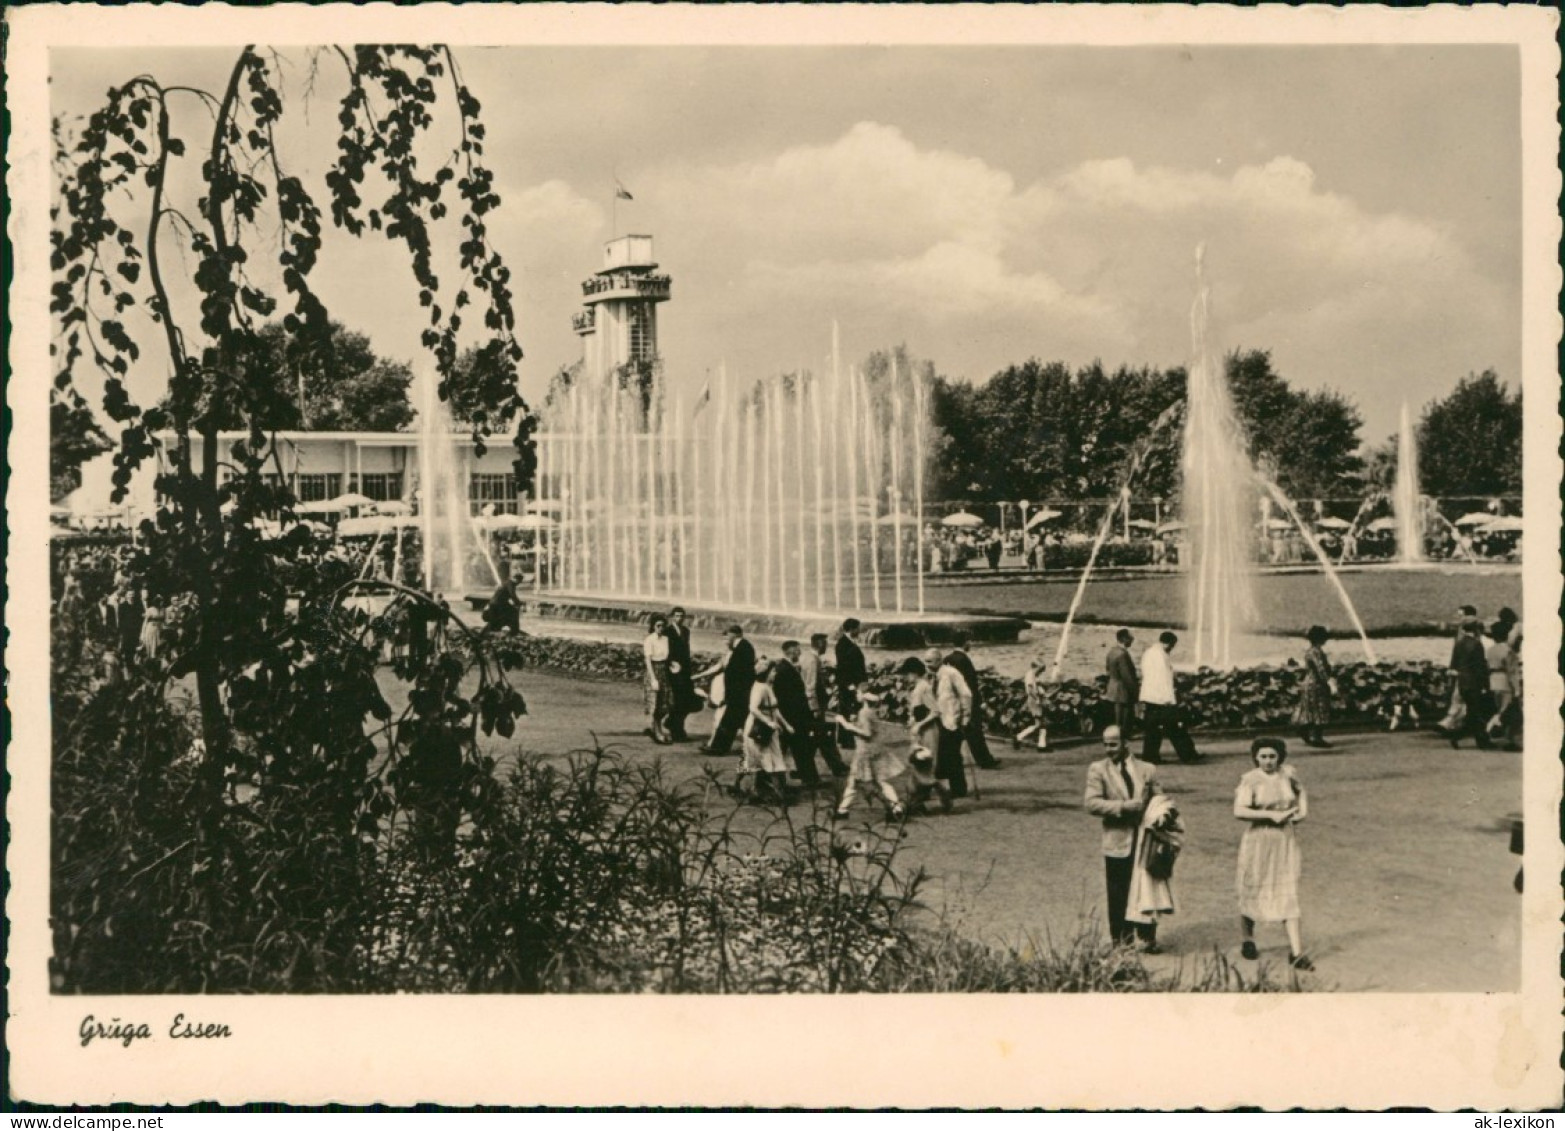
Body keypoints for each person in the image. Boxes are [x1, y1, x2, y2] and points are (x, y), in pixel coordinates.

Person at [1235, 737, 1312, 970]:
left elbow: (1301, 791)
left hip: (1284, 840)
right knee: (1255, 886)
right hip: (1259, 840)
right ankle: (1248, 939)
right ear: (1256, 757)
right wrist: (1270, 816)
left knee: (1286, 890)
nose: (1268, 761)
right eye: (1263, 756)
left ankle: (1297, 952)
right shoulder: (1250, 780)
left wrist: (1302, 812)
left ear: (1280, 757)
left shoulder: (1288, 775)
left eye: (1272, 756)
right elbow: (1239, 810)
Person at [1083, 724, 1160, 950]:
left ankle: (1147, 937)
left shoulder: (1147, 769)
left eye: (1113, 744)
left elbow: (1160, 798)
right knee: (1118, 891)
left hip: (1145, 838)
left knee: (1147, 887)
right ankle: (1121, 940)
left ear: (1126, 743)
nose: (1108, 749)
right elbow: (1091, 803)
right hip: (1117, 840)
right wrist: (1125, 807)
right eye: (1105, 744)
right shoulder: (1098, 769)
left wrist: (1159, 812)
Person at [833, 691, 904, 821]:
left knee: (854, 781)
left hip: (864, 751)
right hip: (876, 749)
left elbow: (866, 733)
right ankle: (896, 806)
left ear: (864, 700)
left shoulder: (864, 712)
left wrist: (845, 724)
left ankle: (842, 810)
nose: (857, 695)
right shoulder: (871, 712)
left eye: (860, 694)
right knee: (880, 780)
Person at [1138, 631, 1200, 764]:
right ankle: (1188, 755)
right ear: (1170, 643)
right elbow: (1165, 679)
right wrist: (1171, 700)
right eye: (1172, 645)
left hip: (1149, 696)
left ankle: (1150, 756)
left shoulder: (1149, 653)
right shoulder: (1162, 656)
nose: (1172, 649)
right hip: (1161, 698)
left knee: (1153, 729)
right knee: (1175, 727)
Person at [697, 625, 756, 756]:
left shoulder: (743, 648)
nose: (726, 638)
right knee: (733, 721)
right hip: (739, 691)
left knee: (729, 721)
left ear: (735, 635)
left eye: (728, 635)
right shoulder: (743, 647)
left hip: (738, 691)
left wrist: (731, 692)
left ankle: (718, 748)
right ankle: (719, 747)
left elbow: (738, 673)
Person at [737, 659, 790, 803]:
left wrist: (786, 724)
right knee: (764, 758)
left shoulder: (768, 686)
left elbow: (775, 709)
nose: (775, 673)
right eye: (773, 671)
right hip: (759, 726)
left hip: (769, 726)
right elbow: (753, 708)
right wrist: (769, 722)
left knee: (768, 757)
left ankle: (756, 789)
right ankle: (773, 793)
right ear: (766, 672)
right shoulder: (760, 688)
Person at [944, 637, 1001, 769]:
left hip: (952, 700)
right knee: (975, 731)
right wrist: (978, 702)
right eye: (969, 642)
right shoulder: (964, 660)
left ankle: (950, 760)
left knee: (953, 731)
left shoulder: (948, 659)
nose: (971, 644)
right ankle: (985, 760)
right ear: (966, 643)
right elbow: (971, 684)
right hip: (968, 700)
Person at [774, 640, 825, 789]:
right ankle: (809, 779)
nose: (800, 653)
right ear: (790, 652)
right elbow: (785, 696)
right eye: (797, 650)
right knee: (798, 749)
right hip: (792, 717)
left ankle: (809, 778)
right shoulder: (785, 670)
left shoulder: (785, 668)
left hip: (791, 717)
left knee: (796, 749)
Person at [801, 633, 849, 778]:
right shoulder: (812, 660)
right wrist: (815, 707)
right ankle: (835, 766)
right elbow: (810, 686)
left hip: (817, 706)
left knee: (820, 737)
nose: (827, 646)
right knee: (824, 736)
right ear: (820, 644)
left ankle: (832, 766)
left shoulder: (810, 658)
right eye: (825, 643)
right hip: (817, 707)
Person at [929, 647, 972, 801]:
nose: (928, 665)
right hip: (939, 721)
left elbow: (966, 694)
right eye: (926, 662)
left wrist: (965, 716)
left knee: (953, 754)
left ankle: (959, 789)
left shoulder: (951, 674)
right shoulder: (932, 676)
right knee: (943, 754)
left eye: (931, 661)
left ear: (939, 660)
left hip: (952, 719)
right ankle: (946, 786)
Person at [1447, 619, 1493, 750]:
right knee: (1475, 712)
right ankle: (1464, 736)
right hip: (1474, 682)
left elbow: (1454, 663)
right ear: (1476, 630)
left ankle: (1478, 739)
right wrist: (1486, 684)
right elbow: (1480, 666)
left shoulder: (1459, 643)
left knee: (1473, 712)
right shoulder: (1477, 644)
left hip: (1462, 681)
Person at [1436, 605, 1479, 735]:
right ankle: (1453, 723)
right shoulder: (1464, 631)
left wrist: (1453, 667)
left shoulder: (1469, 632)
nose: (1459, 618)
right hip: (1463, 670)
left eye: (1461, 615)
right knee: (1459, 696)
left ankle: (1451, 723)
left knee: (1459, 696)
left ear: (1469, 616)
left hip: (1465, 671)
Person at [1293, 625, 1338, 748]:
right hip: (1317, 684)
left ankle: (1305, 729)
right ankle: (1316, 737)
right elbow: (1321, 670)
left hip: (1309, 682)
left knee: (1310, 710)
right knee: (1320, 710)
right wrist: (1330, 682)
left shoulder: (1310, 651)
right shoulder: (1317, 652)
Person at [641, 614, 673, 745]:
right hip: (654, 671)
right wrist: (653, 679)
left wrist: (672, 665)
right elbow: (648, 660)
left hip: (664, 671)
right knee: (656, 701)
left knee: (665, 701)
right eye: (658, 626)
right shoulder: (649, 639)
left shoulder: (666, 639)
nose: (660, 628)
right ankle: (657, 731)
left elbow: (666, 657)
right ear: (653, 626)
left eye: (662, 625)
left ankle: (657, 728)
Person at [664, 607, 695, 741]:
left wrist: (689, 669)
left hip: (685, 670)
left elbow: (687, 651)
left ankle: (674, 724)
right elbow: (665, 650)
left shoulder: (686, 631)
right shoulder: (667, 631)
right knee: (677, 701)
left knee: (686, 700)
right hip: (673, 670)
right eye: (677, 616)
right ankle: (677, 730)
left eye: (682, 616)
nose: (679, 618)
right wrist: (670, 664)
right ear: (672, 617)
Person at [1104, 628, 1140, 738]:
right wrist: (1135, 691)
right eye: (1131, 638)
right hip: (1122, 688)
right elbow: (1127, 676)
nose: (1132, 640)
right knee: (1125, 713)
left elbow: (1108, 669)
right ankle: (1123, 735)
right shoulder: (1122, 654)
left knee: (1118, 713)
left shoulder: (1112, 651)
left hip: (1113, 686)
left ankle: (1119, 734)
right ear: (1125, 639)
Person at [1484, 620, 1516, 744]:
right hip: (1504, 681)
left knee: (1497, 708)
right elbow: (1511, 671)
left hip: (1493, 679)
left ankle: (1492, 731)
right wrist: (1517, 688)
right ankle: (1490, 731)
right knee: (1504, 710)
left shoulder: (1490, 650)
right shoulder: (1508, 651)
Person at [1014, 655, 1051, 751]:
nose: (1041, 672)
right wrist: (1037, 699)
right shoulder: (1030, 675)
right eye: (1041, 669)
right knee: (1040, 723)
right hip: (1033, 700)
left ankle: (1021, 738)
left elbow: (1036, 687)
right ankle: (1039, 745)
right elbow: (1030, 690)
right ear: (1036, 667)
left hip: (1034, 699)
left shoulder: (1032, 675)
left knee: (1040, 723)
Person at [834, 618, 867, 700]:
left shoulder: (847, 642)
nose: (859, 631)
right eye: (858, 628)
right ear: (852, 629)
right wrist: (850, 685)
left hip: (853, 684)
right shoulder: (843, 644)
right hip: (849, 685)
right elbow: (843, 666)